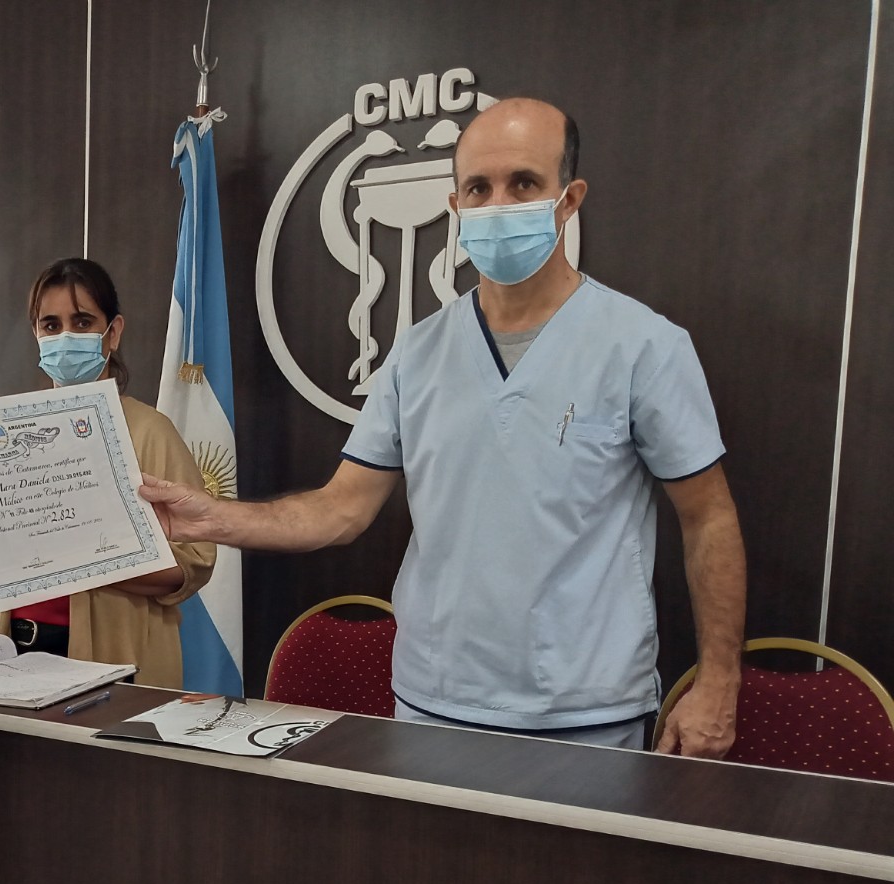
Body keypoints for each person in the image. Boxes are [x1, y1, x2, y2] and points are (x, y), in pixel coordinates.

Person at [142, 99, 746, 756]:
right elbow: (339, 510)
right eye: (478, 188)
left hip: (585, 715)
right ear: (455, 206)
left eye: (524, 184)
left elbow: (708, 517)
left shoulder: (642, 346)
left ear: (568, 200)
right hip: (432, 705)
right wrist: (211, 518)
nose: (498, 204)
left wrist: (719, 682)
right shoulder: (417, 353)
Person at [0, 258, 215, 689]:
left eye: (83, 322)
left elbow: (192, 564)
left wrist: (74, 550)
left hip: (109, 653)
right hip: (1, 652)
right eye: (51, 325)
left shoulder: (150, 432)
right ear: (36, 334)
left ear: (113, 332)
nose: (65, 337)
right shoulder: (3, 432)